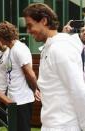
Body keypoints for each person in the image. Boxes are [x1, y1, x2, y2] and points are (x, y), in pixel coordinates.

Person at [23, 3, 85, 131]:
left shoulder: (60, 48)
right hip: (52, 124)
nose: (28, 31)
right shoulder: (50, 47)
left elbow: (78, 90)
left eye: (30, 25)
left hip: (65, 126)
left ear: (44, 21)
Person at [0, 21, 39, 131]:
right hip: (13, 99)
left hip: (22, 100)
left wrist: (35, 89)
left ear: (3, 37)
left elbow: (30, 74)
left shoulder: (19, 49)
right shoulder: (11, 49)